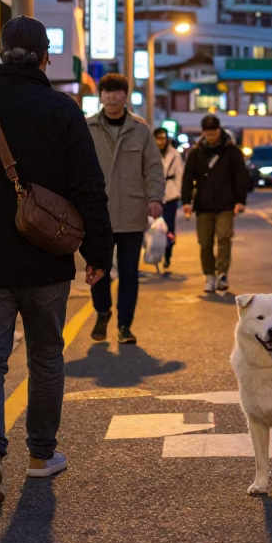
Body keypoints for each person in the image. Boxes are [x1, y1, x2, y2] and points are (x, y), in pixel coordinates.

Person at [0, 17, 113, 506]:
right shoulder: (63, 111)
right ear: (45, 57)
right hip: (46, 260)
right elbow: (88, 187)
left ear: (1, 53)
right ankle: (40, 455)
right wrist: (98, 254)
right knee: (46, 356)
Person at [87, 74, 165, 344]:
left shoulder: (141, 130)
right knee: (98, 270)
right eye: (105, 92)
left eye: (115, 91)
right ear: (100, 96)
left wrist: (155, 197)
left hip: (132, 212)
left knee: (130, 272)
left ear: (125, 95)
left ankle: (124, 325)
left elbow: (154, 167)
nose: (110, 96)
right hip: (97, 215)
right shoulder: (88, 128)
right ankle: (102, 311)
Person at [182, 114, 248, 293]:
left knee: (224, 238)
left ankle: (222, 274)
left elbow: (241, 176)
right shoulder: (196, 152)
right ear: (203, 132)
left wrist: (240, 200)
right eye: (207, 132)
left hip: (226, 203)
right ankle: (209, 275)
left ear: (219, 130)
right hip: (203, 204)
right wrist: (186, 201)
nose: (211, 135)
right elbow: (188, 177)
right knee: (205, 242)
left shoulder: (231, 151)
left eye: (214, 131)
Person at [154, 127, 184, 274]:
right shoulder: (149, 153)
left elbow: (180, 174)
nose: (161, 141)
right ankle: (154, 255)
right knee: (152, 227)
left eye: (163, 138)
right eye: (158, 138)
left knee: (169, 227)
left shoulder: (175, 154)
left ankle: (167, 255)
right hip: (154, 195)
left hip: (171, 194)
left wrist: (178, 192)